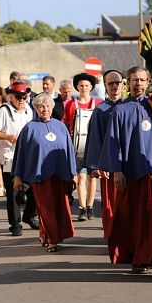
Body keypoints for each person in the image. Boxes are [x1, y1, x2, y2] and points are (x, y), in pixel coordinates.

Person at [98, 66, 152, 276]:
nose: (138, 83)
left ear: (147, 82)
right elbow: (114, 142)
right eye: (134, 80)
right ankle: (139, 258)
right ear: (127, 84)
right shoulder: (120, 110)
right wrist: (117, 171)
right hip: (131, 171)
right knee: (136, 217)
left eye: (142, 80)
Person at [12, 93, 77, 252]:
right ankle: (52, 239)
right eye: (41, 106)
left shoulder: (60, 125)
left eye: (47, 106)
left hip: (60, 174)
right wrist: (18, 176)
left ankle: (46, 235)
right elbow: (20, 153)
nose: (44, 109)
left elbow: (69, 150)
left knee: (60, 207)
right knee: (46, 208)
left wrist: (73, 173)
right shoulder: (29, 128)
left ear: (52, 107)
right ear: (36, 108)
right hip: (40, 175)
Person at [0, 80, 37, 236]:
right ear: (11, 97)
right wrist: (7, 136)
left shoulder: (29, 109)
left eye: (24, 97)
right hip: (10, 157)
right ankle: (15, 224)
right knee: (14, 191)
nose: (22, 100)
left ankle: (29, 216)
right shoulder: (4, 111)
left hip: (28, 157)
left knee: (34, 189)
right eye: (19, 97)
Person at [83, 70, 124, 239]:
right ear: (105, 86)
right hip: (110, 166)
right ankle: (113, 237)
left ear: (123, 84)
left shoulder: (130, 105)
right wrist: (97, 165)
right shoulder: (100, 110)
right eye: (110, 83)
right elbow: (94, 139)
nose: (115, 86)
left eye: (117, 82)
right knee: (111, 205)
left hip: (130, 164)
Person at [63, 73, 102, 221]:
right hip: (77, 146)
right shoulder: (71, 104)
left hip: (94, 146)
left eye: (87, 85)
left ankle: (91, 206)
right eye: (81, 86)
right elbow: (64, 124)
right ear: (77, 87)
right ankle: (82, 208)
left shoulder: (98, 103)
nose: (84, 88)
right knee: (80, 177)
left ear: (91, 87)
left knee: (92, 178)